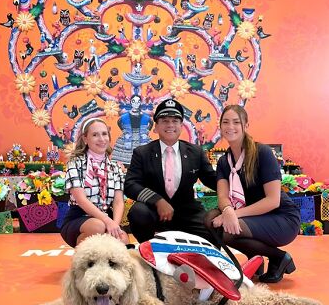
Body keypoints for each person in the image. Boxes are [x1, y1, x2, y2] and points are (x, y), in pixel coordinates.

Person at [204, 105, 300, 283]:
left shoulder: (262, 153)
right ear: (220, 127)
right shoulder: (225, 161)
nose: (230, 127)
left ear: (246, 126)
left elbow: (273, 201)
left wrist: (233, 214)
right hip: (254, 217)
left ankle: (279, 258)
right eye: (225, 122)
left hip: (281, 217)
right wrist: (226, 210)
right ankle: (255, 259)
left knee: (228, 230)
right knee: (211, 220)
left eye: (236, 122)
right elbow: (223, 196)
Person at [124, 98, 217, 244]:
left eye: (175, 121)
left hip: (187, 213)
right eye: (165, 120)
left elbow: (212, 180)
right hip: (154, 212)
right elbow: (130, 184)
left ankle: (198, 264)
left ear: (181, 125)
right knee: (138, 213)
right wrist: (157, 201)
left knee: (212, 229)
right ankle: (151, 258)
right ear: (156, 126)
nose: (170, 125)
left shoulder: (195, 152)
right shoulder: (142, 153)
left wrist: (236, 183)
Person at [61, 117, 128, 247]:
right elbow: (81, 200)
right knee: (98, 226)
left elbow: (118, 202)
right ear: (85, 139)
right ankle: (83, 263)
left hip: (107, 217)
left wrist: (114, 225)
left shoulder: (116, 167)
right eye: (95, 135)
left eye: (104, 134)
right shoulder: (75, 164)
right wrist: (107, 222)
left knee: (122, 240)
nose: (102, 139)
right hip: (79, 218)